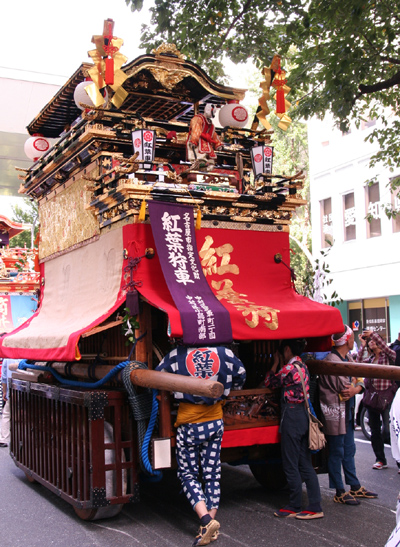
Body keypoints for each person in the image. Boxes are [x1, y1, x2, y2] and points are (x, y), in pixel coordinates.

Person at [156, 345, 246, 546]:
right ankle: (209, 524)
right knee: (212, 472)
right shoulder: (226, 353)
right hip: (215, 420)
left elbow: (158, 376)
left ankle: (205, 520)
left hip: (190, 423)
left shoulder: (176, 355)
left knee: (187, 473)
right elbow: (241, 375)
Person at [265, 338, 324, 520]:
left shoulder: (289, 369)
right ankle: (314, 505)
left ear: (287, 349)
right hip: (303, 416)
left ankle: (294, 504)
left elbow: (269, 381)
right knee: (304, 463)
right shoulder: (303, 366)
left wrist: (275, 363)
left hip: (291, 416)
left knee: (290, 463)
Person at [319, 325, 378, 505]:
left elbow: (359, 380)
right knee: (337, 451)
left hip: (347, 410)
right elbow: (344, 388)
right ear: (347, 339)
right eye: (352, 337)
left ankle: (354, 485)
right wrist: (354, 388)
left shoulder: (349, 357)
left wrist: (355, 388)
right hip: (335, 412)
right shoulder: (331, 360)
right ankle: (339, 491)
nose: (354, 340)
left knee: (349, 449)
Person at [357, 329, 397, 470]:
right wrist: (362, 344)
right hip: (371, 399)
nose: (372, 341)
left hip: (386, 398)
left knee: (388, 430)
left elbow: (385, 347)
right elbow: (358, 363)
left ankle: (398, 460)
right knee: (374, 430)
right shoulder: (369, 359)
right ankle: (380, 459)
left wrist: (372, 334)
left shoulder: (388, 356)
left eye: (375, 340)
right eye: (370, 341)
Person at [186, 103, 223, 171]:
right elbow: (196, 130)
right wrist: (194, 140)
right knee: (198, 153)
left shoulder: (211, 124)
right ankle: (198, 162)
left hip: (206, 142)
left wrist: (218, 143)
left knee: (208, 155)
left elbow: (213, 134)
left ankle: (207, 164)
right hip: (198, 141)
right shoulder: (198, 119)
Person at [0, 358, 19, 448]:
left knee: (7, 414)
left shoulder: (7, 359)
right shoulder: (26, 355)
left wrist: (5, 392)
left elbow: (4, 378)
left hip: (12, 391)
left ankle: (4, 438)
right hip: (26, 390)